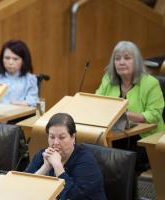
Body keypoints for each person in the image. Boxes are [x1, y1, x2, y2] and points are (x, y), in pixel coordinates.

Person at [96, 41, 165, 172]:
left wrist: (126, 115)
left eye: (127, 58)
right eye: (117, 59)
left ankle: (125, 191)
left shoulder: (150, 83)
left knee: (119, 159)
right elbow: (98, 102)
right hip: (113, 134)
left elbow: (154, 115)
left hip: (145, 138)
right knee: (94, 151)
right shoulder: (108, 79)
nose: (121, 62)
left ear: (137, 62)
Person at [25, 113, 106, 200]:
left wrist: (58, 166)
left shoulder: (86, 161)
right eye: (52, 137)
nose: (55, 142)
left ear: (73, 137)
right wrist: (45, 167)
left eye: (62, 137)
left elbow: (71, 196)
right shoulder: (42, 156)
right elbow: (23, 188)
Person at [0, 40, 39, 107]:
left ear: (23, 61)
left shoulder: (30, 80)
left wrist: (10, 104)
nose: (10, 62)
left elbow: (32, 102)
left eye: (15, 59)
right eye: (7, 58)